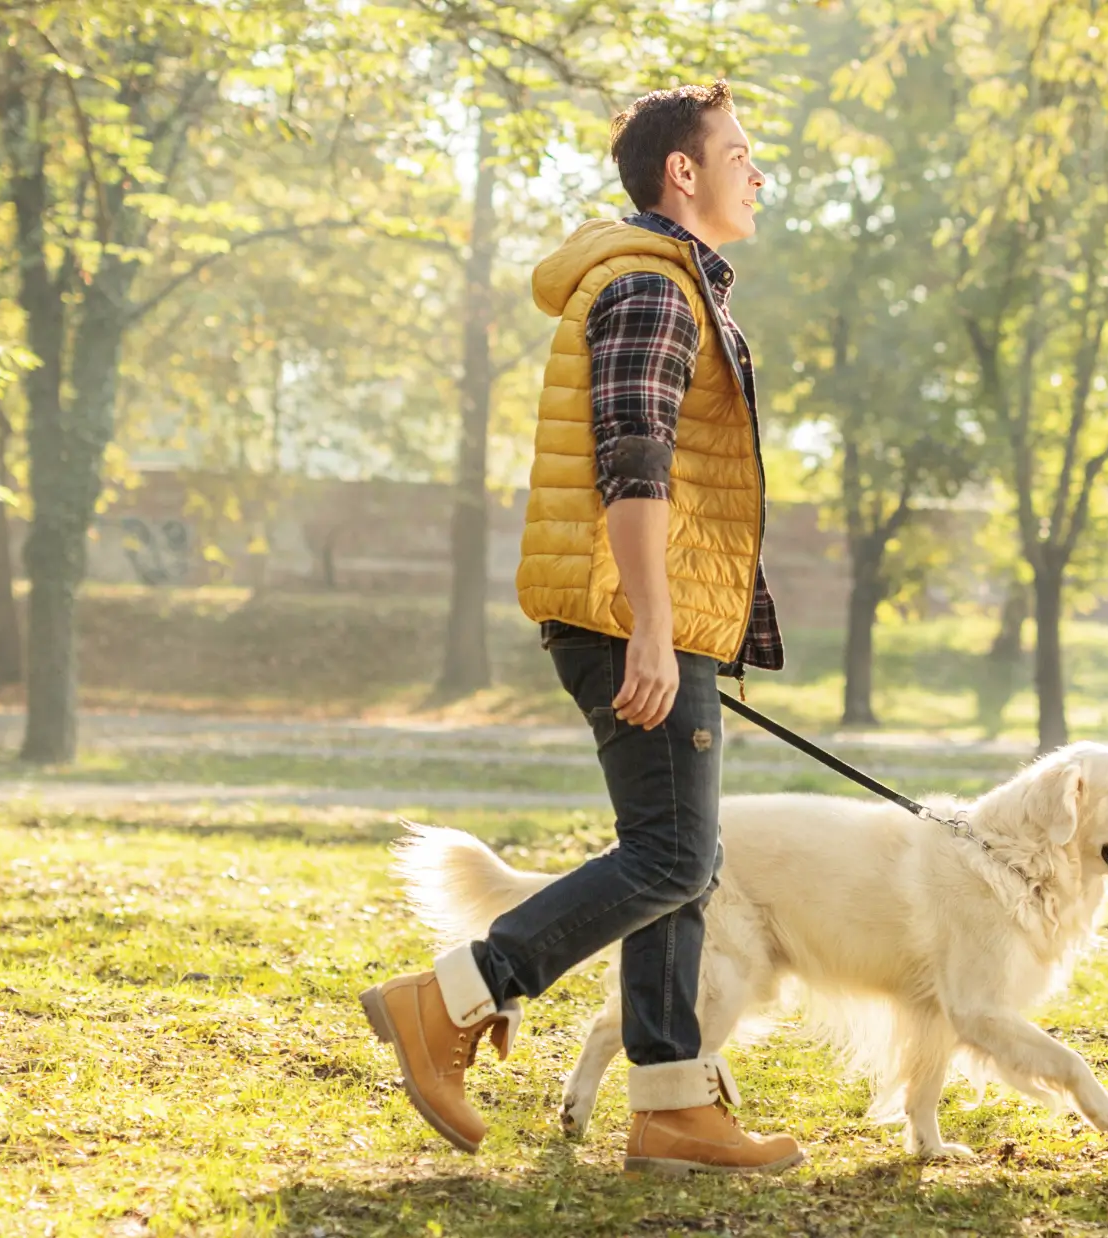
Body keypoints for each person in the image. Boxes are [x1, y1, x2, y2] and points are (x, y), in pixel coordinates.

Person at [359, 81, 800, 1176]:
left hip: (652, 616)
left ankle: (669, 1105)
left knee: (684, 864)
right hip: (625, 617)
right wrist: (655, 627)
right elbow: (633, 457)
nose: (758, 171)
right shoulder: (653, 285)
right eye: (738, 152)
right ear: (681, 172)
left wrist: (692, 624)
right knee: (675, 853)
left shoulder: (672, 281)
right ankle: (452, 994)